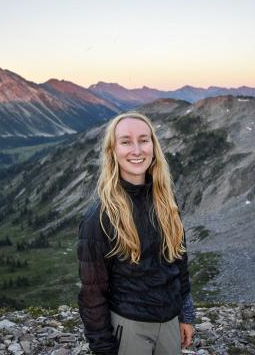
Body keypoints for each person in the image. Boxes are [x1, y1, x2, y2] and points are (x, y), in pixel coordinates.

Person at [77, 112, 196, 355]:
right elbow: (92, 292)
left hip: (170, 324)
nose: (137, 149)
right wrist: (104, 348)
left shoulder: (167, 204)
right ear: (112, 150)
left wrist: (185, 314)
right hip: (129, 327)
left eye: (144, 140)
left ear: (153, 147)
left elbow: (179, 262)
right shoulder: (99, 216)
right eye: (125, 141)